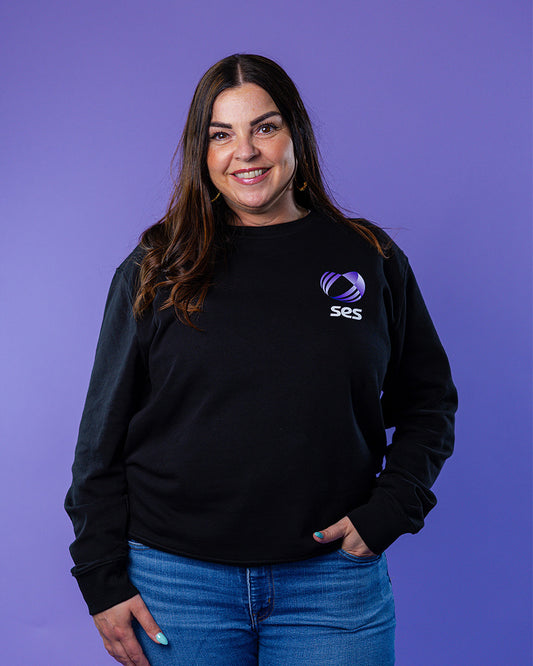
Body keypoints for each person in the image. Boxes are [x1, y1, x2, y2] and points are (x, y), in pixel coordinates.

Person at [65, 53, 457, 666]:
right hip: (176, 585)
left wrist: (394, 507)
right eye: (221, 135)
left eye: (264, 128)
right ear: (202, 153)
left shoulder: (368, 257)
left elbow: (429, 400)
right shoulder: (157, 266)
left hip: (332, 584)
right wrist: (100, 577)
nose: (244, 152)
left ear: (295, 135)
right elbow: (100, 437)